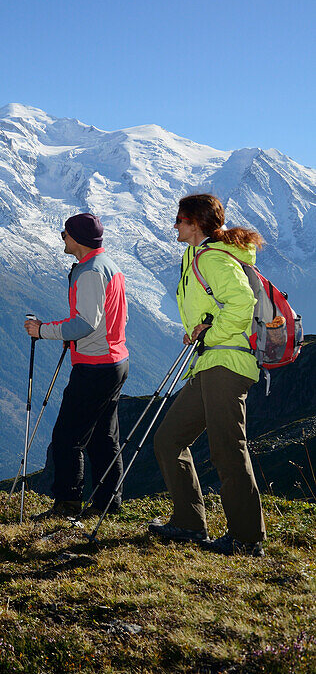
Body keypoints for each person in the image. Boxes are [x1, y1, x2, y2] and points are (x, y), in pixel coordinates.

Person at [149, 193, 266, 556]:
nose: (175, 225)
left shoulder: (214, 259)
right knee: (169, 440)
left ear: (196, 223)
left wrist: (210, 334)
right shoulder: (196, 256)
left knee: (228, 450)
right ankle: (188, 523)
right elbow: (216, 308)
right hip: (209, 363)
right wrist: (202, 331)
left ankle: (247, 539)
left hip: (227, 364)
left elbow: (242, 303)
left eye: (180, 219)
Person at [25, 213, 129, 519]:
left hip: (95, 367)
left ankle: (67, 503)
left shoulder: (90, 273)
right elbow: (115, 317)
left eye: (65, 234)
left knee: (67, 438)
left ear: (78, 239)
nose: (62, 237)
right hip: (114, 361)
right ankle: (108, 504)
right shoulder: (108, 266)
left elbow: (85, 323)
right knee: (103, 438)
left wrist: (44, 330)